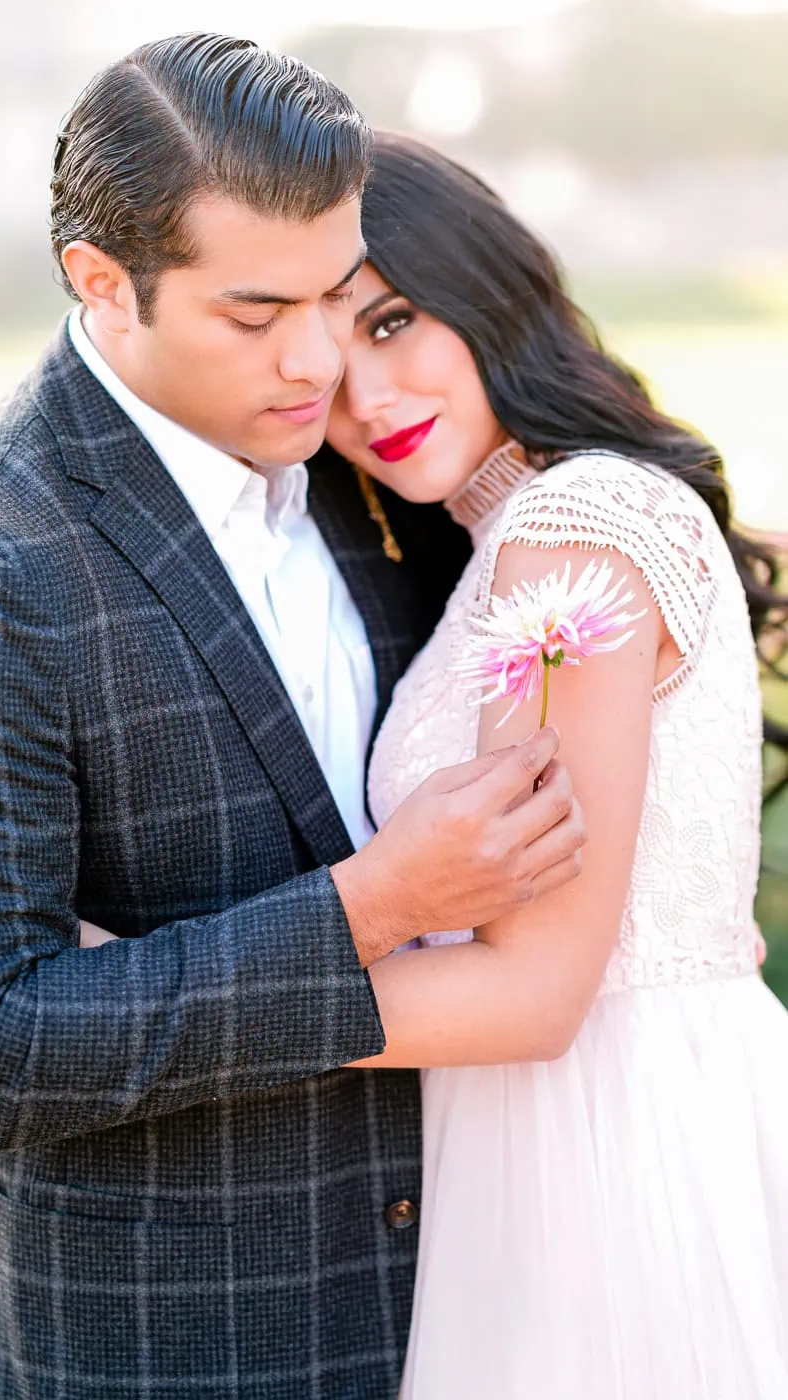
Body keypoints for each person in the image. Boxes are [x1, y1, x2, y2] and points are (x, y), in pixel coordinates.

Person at [0, 40, 586, 1400]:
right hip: (155, 1346)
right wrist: (369, 902)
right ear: (99, 282)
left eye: (335, 295)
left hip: (456, 1311)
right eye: (254, 316)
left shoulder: (369, 477)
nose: (317, 362)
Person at [318, 131, 788, 1398]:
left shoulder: (575, 525)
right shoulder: (515, 536)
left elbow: (530, 993)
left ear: (486, 285)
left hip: (600, 1147)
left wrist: (167, 992)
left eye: (392, 320)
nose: (363, 398)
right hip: (558, 1123)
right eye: (323, 344)